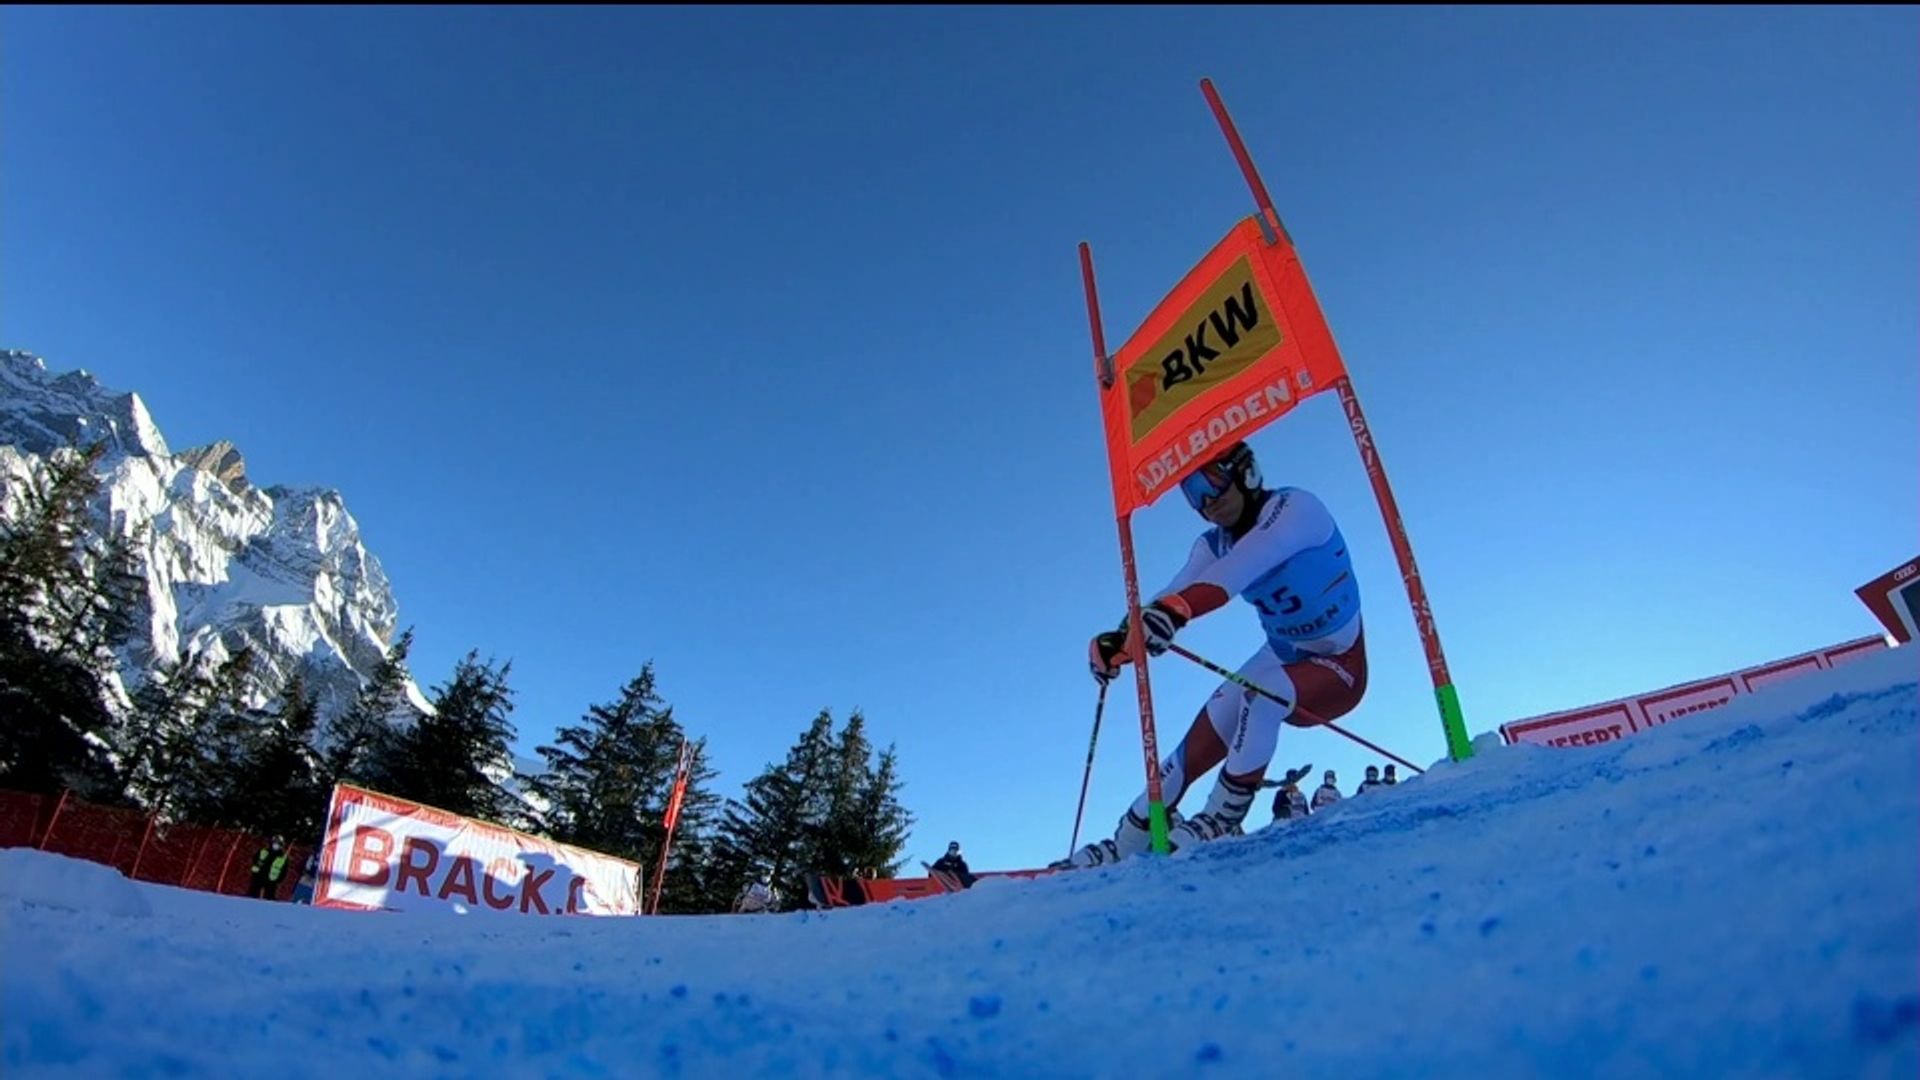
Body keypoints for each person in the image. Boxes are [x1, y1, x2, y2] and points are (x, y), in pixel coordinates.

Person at [1065, 441, 1367, 866]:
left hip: (1339, 663)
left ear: (1246, 473)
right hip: (1282, 653)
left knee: (1261, 696)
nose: (1206, 502)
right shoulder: (1211, 544)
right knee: (1208, 725)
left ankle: (1219, 820)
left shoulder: (1297, 509)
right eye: (1192, 494)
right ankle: (1129, 839)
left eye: (1212, 483)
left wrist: (1175, 612)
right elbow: (1175, 590)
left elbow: (1240, 568)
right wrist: (1121, 640)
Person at [248, 835, 291, 900]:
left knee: (269, 899)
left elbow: (284, 871)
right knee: (252, 896)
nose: (275, 845)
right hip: (258, 877)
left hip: (271, 881)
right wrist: (255, 870)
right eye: (274, 842)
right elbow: (254, 860)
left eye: (278, 843)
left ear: (281, 845)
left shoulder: (283, 858)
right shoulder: (263, 851)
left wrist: (279, 879)